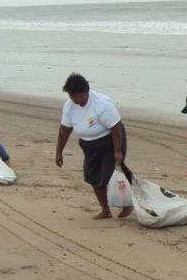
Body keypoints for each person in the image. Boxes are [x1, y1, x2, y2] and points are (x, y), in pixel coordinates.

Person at [55, 73, 133, 220]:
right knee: (92, 176)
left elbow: (116, 128)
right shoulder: (69, 106)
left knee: (110, 174)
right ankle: (105, 210)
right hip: (89, 144)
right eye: (71, 96)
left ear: (85, 92)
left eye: (76, 96)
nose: (74, 100)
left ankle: (127, 204)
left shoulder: (102, 104)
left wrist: (118, 151)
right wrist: (59, 152)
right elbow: (64, 130)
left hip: (110, 140)